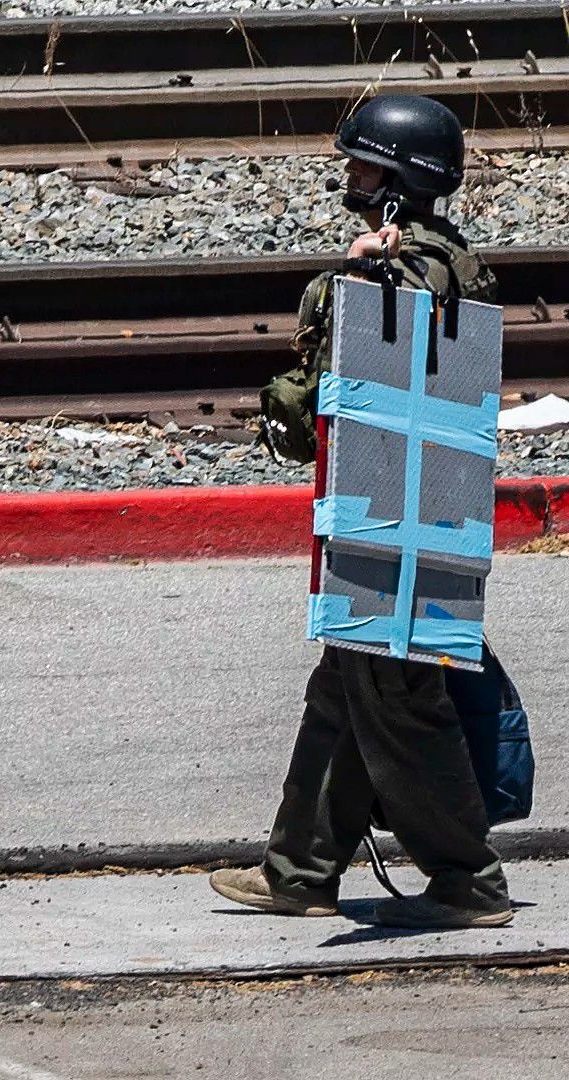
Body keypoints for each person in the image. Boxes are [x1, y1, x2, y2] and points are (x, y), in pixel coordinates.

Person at [214, 95, 511, 930]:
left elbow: (349, 385)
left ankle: (468, 879)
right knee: (343, 694)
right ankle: (299, 873)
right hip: (405, 507)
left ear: (401, 177)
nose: (350, 173)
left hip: (397, 514)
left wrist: (348, 279)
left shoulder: (403, 271)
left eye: (364, 162)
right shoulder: (444, 259)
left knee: (397, 695)